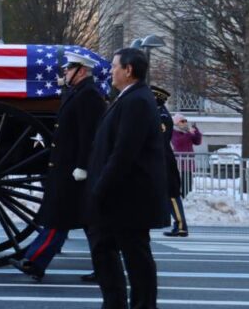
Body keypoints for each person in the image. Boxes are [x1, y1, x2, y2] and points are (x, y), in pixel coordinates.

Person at [9, 51, 106, 281]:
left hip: (74, 170)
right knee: (88, 223)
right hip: (67, 166)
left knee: (60, 218)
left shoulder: (89, 95)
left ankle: (35, 261)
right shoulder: (78, 93)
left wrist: (83, 166)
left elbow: (89, 135)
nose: (65, 72)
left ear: (82, 71)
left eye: (69, 68)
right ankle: (104, 267)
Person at [84, 47, 169, 309]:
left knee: (136, 257)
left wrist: (101, 187)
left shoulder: (137, 101)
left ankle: (142, 305)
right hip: (119, 196)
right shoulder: (129, 98)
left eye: (114, 66)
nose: (111, 71)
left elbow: (124, 151)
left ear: (128, 70)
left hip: (128, 197)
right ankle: (114, 303)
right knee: (103, 247)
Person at [152, 86, 189, 238]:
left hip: (163, 158)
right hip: (162, 157)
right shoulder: (160, 114)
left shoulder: (162, 116)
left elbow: (158, 138)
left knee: (172, 194)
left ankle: (181, 226)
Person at [171, 113, 202, 195]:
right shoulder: (174, 132)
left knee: (188, 184)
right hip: (179, 163)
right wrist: (188, 133)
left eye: (185, 121)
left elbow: (197, 142)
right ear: (176, 123)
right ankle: (180, 198)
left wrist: (196, 131)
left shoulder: (187, 132)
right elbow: (178, 142)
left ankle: (187, 197)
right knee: (180, 184)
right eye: (182, 121)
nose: (185, 123)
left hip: (188, 162)